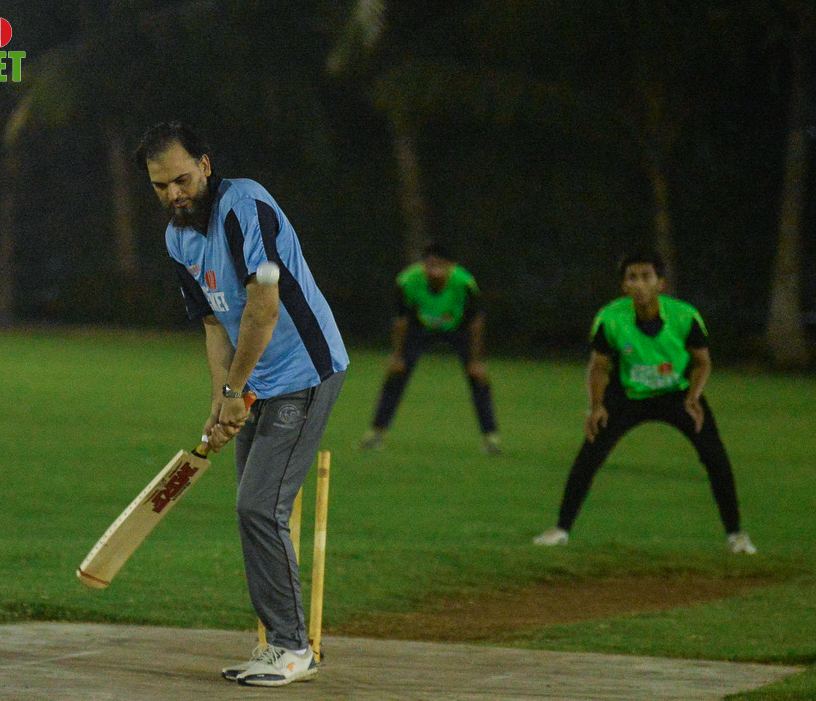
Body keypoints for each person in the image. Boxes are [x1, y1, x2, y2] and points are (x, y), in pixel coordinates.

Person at [135, 121, 349, 687]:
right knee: (253, 510)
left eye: (182, 180)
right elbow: (214, 323)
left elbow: (263, 306)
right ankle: (280, 643)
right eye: (160, 186)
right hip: (255, 381)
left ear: (205, 165)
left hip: (304, 371)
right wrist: (220, 398)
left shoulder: (246, 206)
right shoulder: (178, 239)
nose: (174, 194)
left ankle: (292, 648)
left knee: (260, 507)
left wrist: (236, 392)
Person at [532, 251, 756, 554]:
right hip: (628, 395)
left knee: (715, 457)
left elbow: (702, 362)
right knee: (589, 456)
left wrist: (694, 397)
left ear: (660, 283)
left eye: (646, 277)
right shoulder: (611, 318)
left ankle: (736, 535)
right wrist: (596, 406)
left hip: (678, 395)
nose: (639, 284)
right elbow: (599, 367)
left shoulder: (684, 317)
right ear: (623, 286)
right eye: (632, 278)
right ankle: (560, 529)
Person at [357, 242, 501, 455]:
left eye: (440, 265)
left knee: (478, 379)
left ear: (451, 266)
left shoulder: (464, 282)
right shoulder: (408, 280)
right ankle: (375, 434)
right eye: (430, 265)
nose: (434, 270)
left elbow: (476, 321)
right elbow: (401, 320)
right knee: (396, 375)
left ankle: (491, 438)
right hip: (420, 327)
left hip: (458, 328)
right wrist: (397, 356)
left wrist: (476, 360)